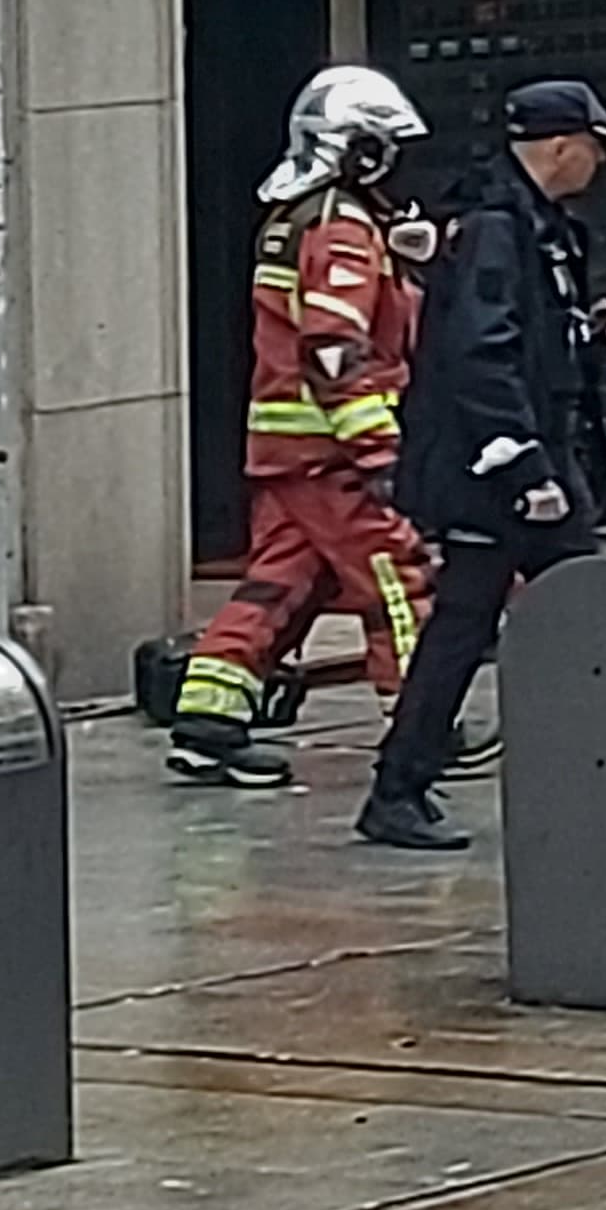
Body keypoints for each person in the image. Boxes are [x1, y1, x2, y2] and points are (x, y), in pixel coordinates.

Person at [359, 80, 606, 851]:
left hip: (524, 460)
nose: (602, 158)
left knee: (494, 619)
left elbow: (535, 343)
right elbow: (481, 355)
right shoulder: (496, 229)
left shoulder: (537, 226)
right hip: (500, 473)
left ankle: (406, 784)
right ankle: (404, 786)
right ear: (558, 146)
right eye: (594, 143)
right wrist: (526, 470)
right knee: (581, 610)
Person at [173, 66, 437, 788]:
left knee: (281, 584)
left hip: (289, 451)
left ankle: (208, 721)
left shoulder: (300, 218)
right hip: (332, 454)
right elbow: (333, 347)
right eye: (385, 147)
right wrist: (378, 447)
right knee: (397, 575)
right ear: (356, 149)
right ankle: (421, 722)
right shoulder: (340, 228)